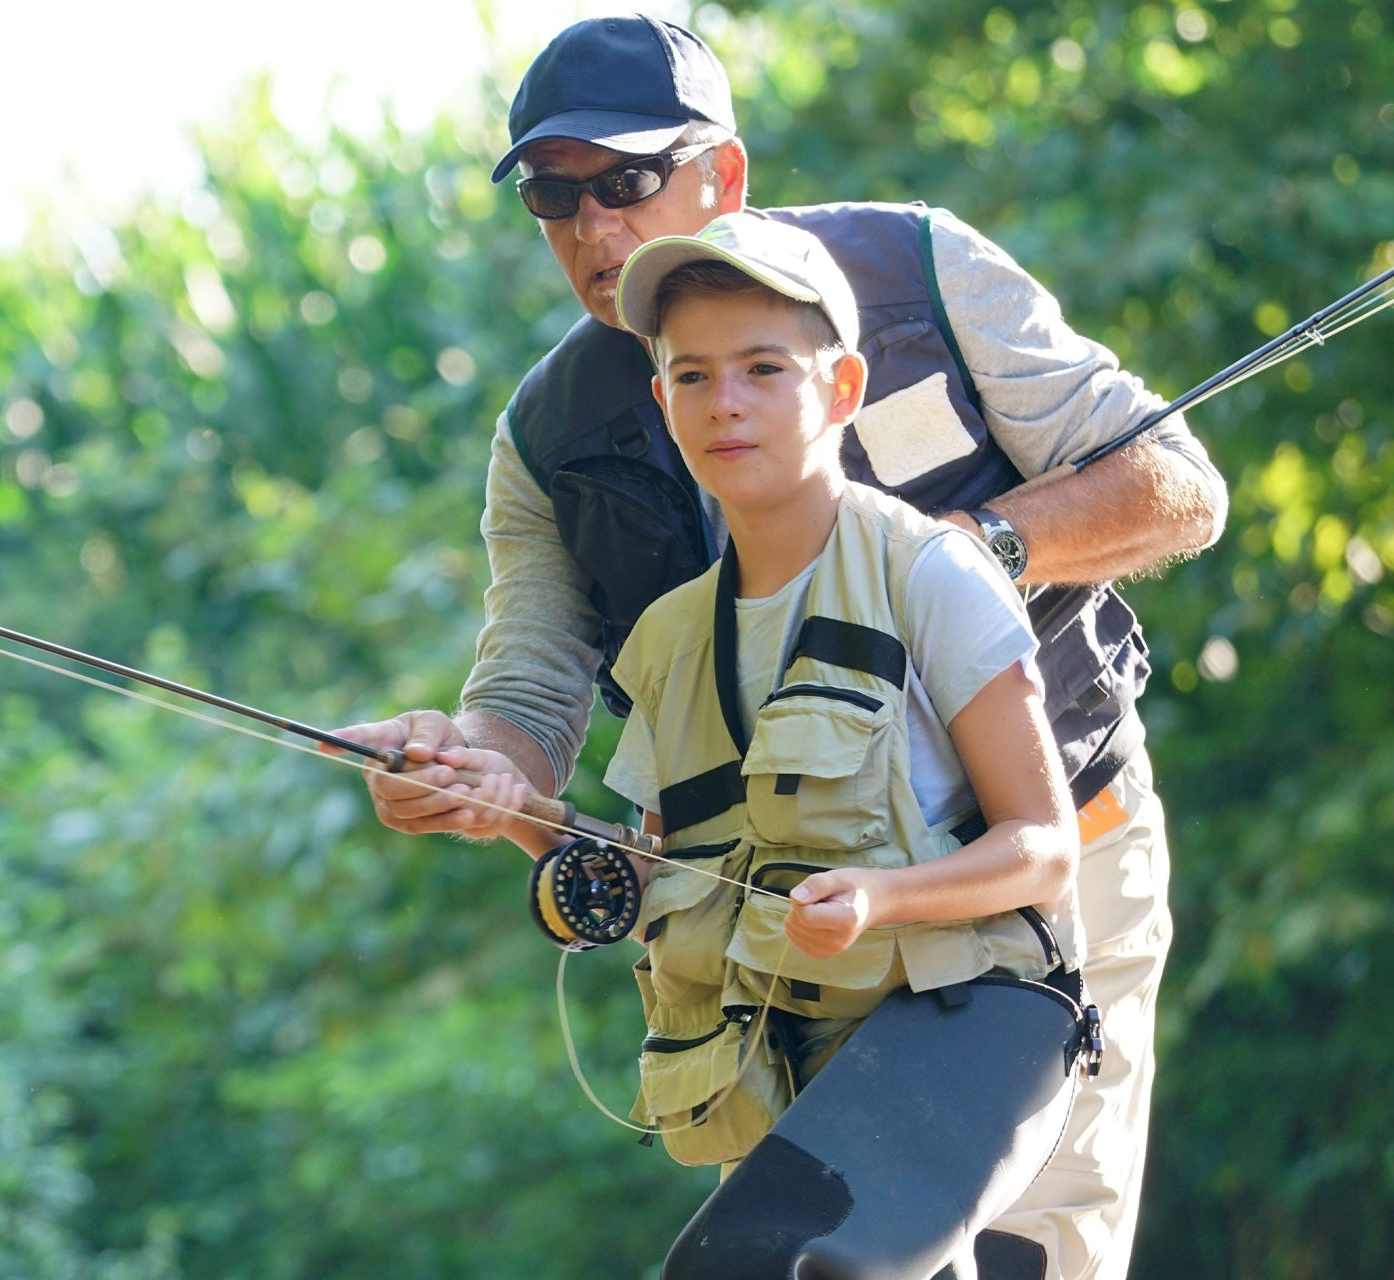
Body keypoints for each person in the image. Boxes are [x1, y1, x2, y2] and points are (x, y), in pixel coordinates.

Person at [335, 14, 1228, 1280]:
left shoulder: (919, 271)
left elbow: (1178, 487)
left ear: (728, 175)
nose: (593, 226)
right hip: (796, 940)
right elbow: (526, 694)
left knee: (1035, 1262)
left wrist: (966, 556)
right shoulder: (548, 437)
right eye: (554, 193)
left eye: (629, 181)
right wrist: (463, 762)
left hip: (1055, 861)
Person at [516, 207, 1091, 1280]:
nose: (725, 403)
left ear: (842, 389)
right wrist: (501, 809)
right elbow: (651, 877)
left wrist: (882, 899)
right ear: (662, 402)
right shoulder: (667, 639)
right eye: (692, 376)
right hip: (787, 1078)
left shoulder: (933, 573)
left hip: (957, 1030)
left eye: (763, 368)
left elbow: (1045, 847)